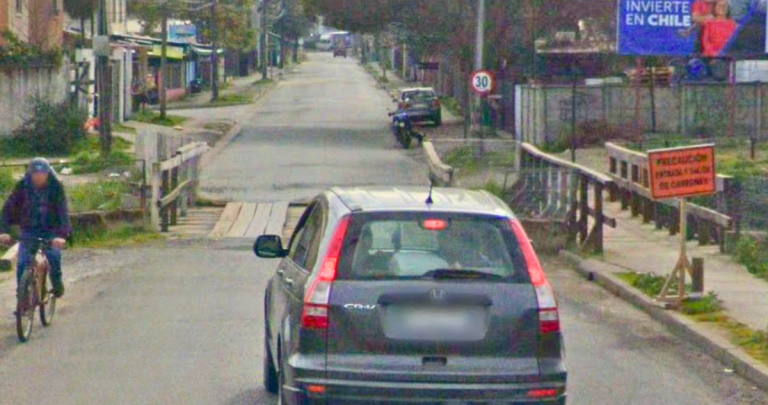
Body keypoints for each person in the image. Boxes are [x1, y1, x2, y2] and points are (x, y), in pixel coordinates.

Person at [0, 158, 71, 298]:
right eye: (35, 173)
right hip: (29, 230)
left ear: (48, 173)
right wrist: (3, 231)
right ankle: (23, 297)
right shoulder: (22, 187)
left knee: (53, 257)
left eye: (42, 173)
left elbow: (62, 212)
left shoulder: (56, 187)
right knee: (22, 263)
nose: (39, 176)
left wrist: (62, 235)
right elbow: (8, 209)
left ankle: (57, 284)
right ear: (30, 174)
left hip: (52, 230)